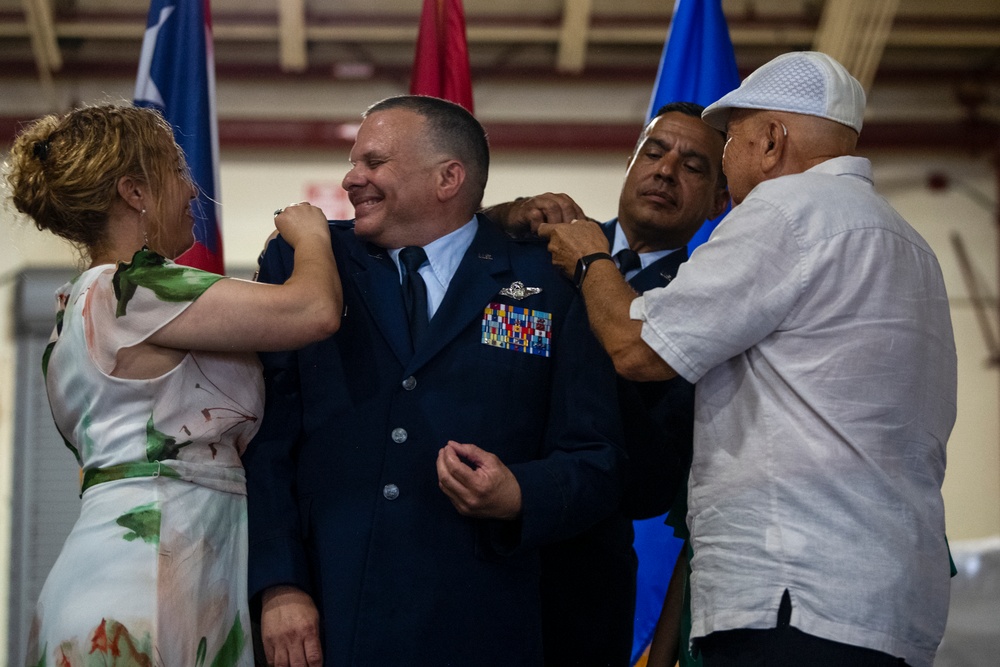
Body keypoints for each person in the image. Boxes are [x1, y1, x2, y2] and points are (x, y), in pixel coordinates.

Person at [538, 51, 957, 667]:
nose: (729, 159)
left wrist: (588, 262)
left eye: (728, 140)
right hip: (886, 602)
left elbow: (639, 347)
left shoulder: (788, 211)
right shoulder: (909, 245)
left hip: (795, 591)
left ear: (770, 140)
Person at [244, 94, 624, 667]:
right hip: (329, 619)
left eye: (374, 163)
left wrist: (520, 494)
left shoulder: (548, 281)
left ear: (448, 177)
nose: (352, 179)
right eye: (354, 162)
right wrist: (279, 584)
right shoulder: (310, 262)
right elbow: (267, 439)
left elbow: (597, 458)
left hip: (480, 626)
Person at [5, 103, 341, 666]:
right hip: (144, 588)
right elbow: (314, 311)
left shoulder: (73, 308)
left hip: (143, 569)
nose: (192, 191)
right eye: (177, 172)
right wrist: (313, 235)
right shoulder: (133, 287)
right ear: (134, 191)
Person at [484, 101, 728, 667]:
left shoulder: (708, 299)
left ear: (720, 200)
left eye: (693, 166)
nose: (665, 171)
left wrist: (601, 287)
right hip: (476, 548)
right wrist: (504, 214)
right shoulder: (539, 246)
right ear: (629, 162)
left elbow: (652, 477)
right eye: (654, 151)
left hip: (581, 576)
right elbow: (452, 246)